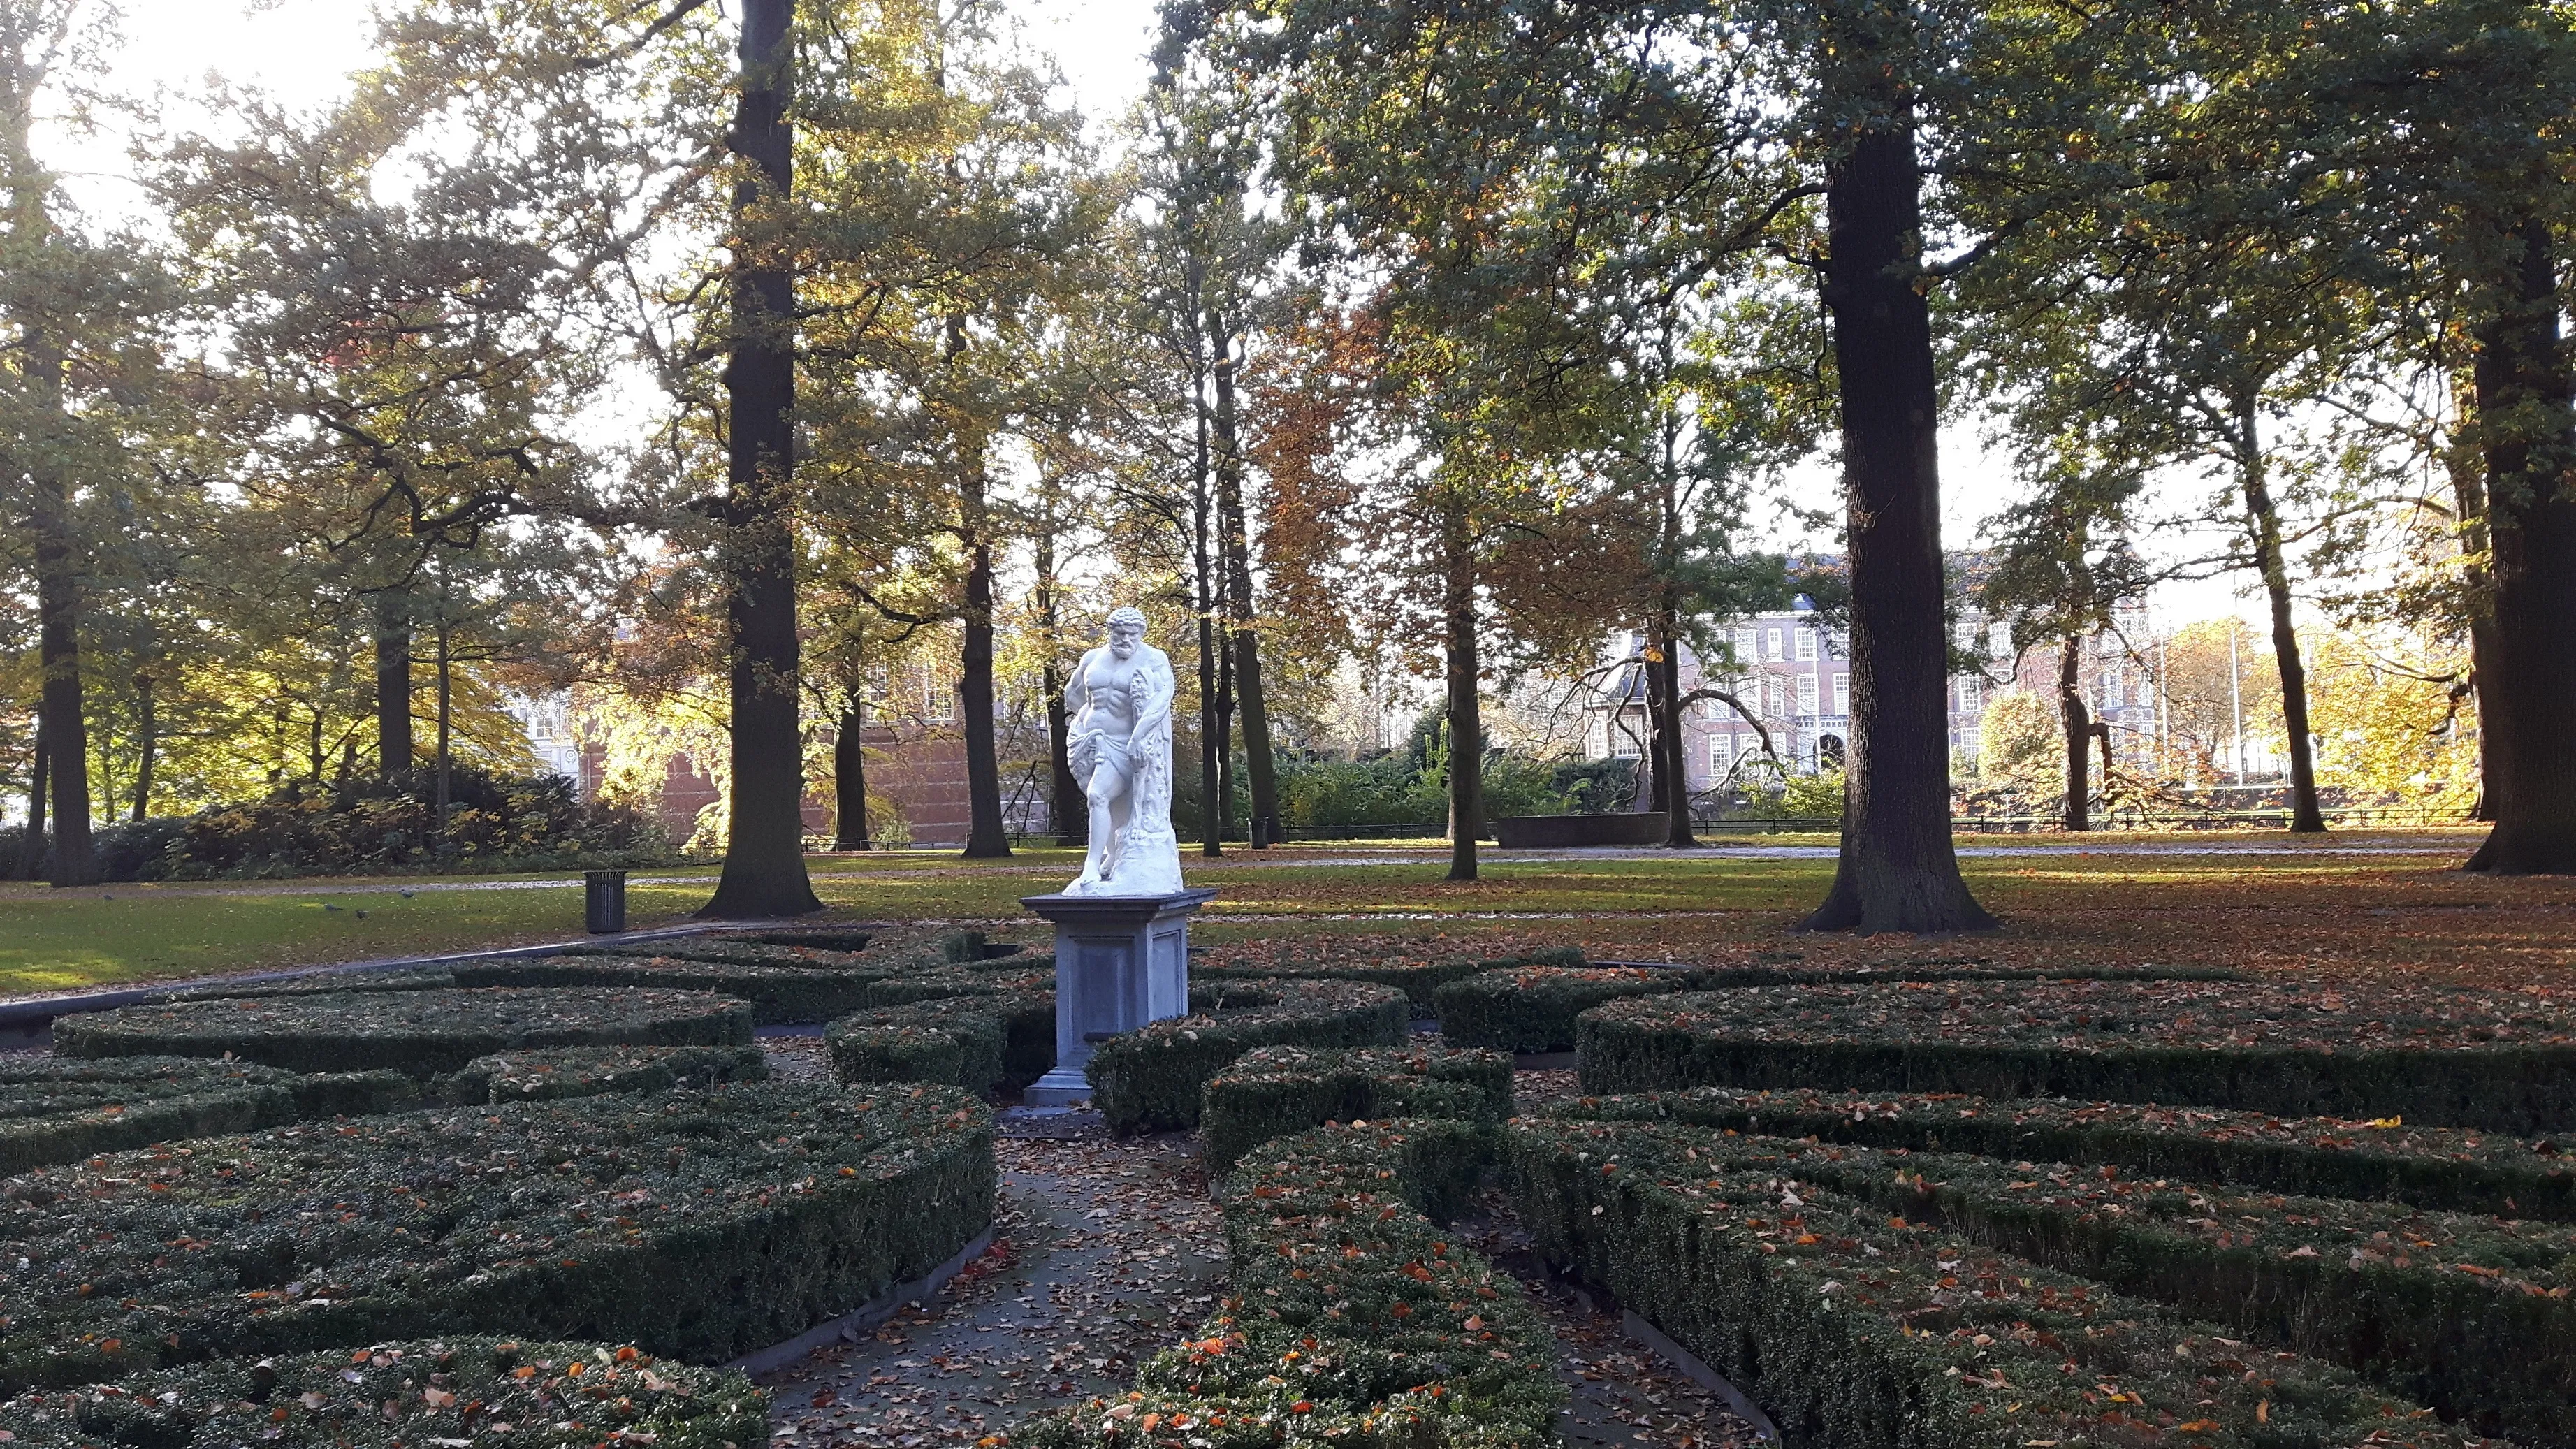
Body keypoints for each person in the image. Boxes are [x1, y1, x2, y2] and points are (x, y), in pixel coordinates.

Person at [1063, 606, 1181, 894]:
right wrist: (1087, 721)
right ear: (1111, 632)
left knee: (1098, 795)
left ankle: (1091, 866)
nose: (1126, 640)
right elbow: (1073, 693)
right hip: (1086, 741)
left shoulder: (1153, 659)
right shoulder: (1093, 658)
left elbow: (1162, 699)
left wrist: (1139, 736)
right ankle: (1115, 857)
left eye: (1132, 635)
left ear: (1141, 634)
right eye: (1120, 634)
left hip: (1125, 744)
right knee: (1107, 805)